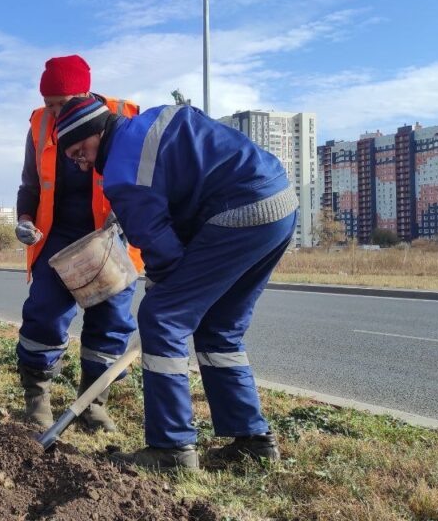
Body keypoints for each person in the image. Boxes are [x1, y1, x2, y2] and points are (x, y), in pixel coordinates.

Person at [54, 96, 298, 470]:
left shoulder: (122, 170)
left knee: (161, 318)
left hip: (239, 209)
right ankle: (252, 442)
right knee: (220, 327)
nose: (81, 162)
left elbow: (161, 248)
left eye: (80, 150)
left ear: (97, 132)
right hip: (278, 203)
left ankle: (171, 448)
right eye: (72, 158)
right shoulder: (149, 123)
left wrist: (162, 287)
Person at [13, 55, 142, 432]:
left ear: (84, 93)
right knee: (46, 313)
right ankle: (37, 395)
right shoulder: (39, 125)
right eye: (48, 103)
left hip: (110, 237)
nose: (52, 112)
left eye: (59, 103)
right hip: (58, 237)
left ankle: (93, 402)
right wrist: (24, 219)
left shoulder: (123, 114)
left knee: (111, 320)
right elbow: (30, 183)